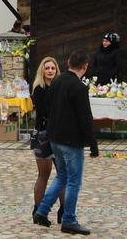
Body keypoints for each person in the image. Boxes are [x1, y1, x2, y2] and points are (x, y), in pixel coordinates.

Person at [33, 49, 98, 235]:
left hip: (54, 138)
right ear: (85, 67)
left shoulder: (57, 82)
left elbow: (49, 109)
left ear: (68, 62)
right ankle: (69, 219)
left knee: (62, 176)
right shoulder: (79, 87)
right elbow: (86, 118)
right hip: (71, 141)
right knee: (73, 181)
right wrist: (93, 145)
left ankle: (42, 211)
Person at [30, 57, 64, 223]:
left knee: (63, 174)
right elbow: (45, 111)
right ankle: (38, 210)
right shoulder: (39, 89)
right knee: (44, 174)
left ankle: (64, 210)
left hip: (60, 134)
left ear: (57, 70)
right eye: (47, 68)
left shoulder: (61, 87)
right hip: (44, 134)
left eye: (53, 68)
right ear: (42, 71)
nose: (50, 70)